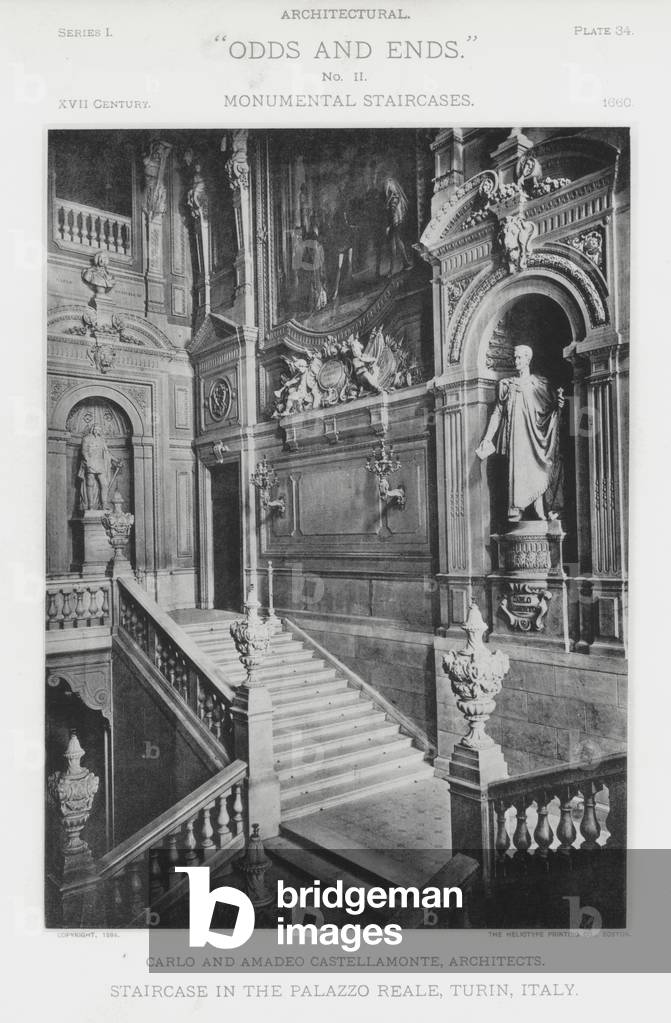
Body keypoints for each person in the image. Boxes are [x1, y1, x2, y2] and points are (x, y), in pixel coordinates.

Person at [475, 345, 564, 522]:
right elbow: (498, 413)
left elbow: (549, 410)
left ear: (528, 359)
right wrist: (487, 438)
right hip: (515, 439)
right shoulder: (507, 385)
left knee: (538, 470)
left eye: (519, 358)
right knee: (517, 472)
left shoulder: (538, 384)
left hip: (534, 438)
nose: (515, 361)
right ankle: (516, 507)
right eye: (514, 358)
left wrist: (558, 405)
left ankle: (540, 507)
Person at [78, 425, 121, 511]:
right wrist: (88, 461)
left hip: (100, 463)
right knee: (90, 484)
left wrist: (116, 460)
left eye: (99, 429)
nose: (97, 431)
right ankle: (90, 505)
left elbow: (107, 453)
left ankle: (104, 504)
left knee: (104, 484)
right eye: (96, 429)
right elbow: (84, 451)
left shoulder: (101, 440)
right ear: (92, 429)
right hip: (90, 463)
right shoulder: (86, 438)